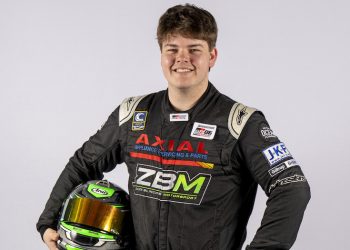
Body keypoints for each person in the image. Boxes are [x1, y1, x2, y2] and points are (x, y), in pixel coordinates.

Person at [37, 4, 311, 250]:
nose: (182, 59)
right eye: (173, 50)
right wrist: (48, 220)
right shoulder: (133, 114)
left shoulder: (240, 122)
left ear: (212, 56)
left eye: (194, 49)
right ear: (161, 55)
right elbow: (83, 163)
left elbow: (291, 186)